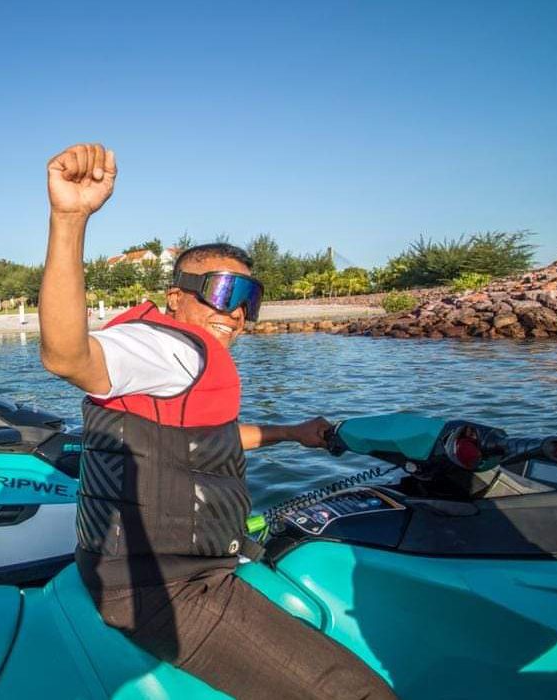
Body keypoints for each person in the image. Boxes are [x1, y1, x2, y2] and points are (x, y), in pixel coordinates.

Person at [39, 143, 395, 700]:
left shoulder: (178, 365)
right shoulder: (166, 347)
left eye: (248, 299)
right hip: (169, 588)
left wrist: (291, 434)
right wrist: (69, 219)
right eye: (224, 292)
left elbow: (207, 441)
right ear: (176, 298)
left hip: (150, 567)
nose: (234, 313)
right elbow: (67, 356)